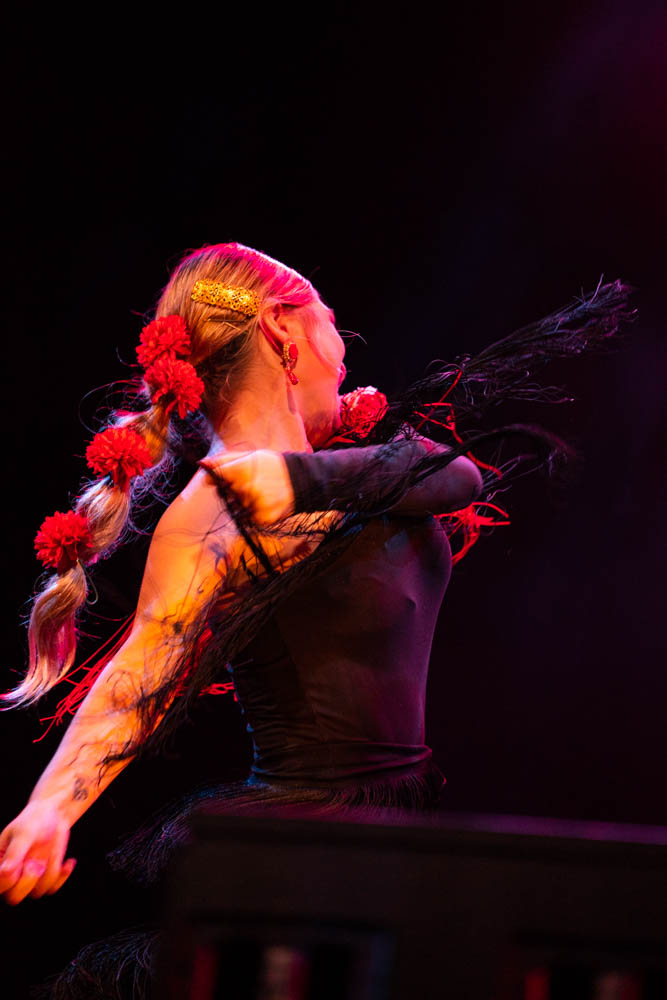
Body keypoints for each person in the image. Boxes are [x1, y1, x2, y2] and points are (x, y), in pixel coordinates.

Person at [0, 243, 632, 995]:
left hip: (390, 830)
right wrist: (50, 808)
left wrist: (296, 475)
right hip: (315, 842)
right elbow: (141, 675)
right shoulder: (215, 506)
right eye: (329, 320)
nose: (342, 348)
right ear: (280, 328)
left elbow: (453, 475)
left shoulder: (341, 467)